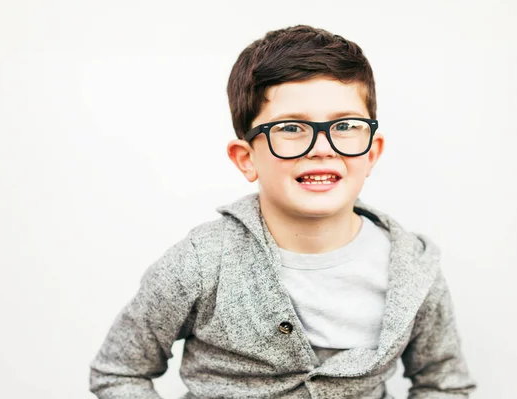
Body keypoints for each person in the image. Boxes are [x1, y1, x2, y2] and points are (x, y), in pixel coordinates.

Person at [89, 25, 477, 399]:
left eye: (344, 125)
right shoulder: (201, 264)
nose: (322, 148)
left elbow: (445, 383)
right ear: (246, 159)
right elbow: (119, 372)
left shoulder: (414, 271)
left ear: (371, 153)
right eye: (291, 128)